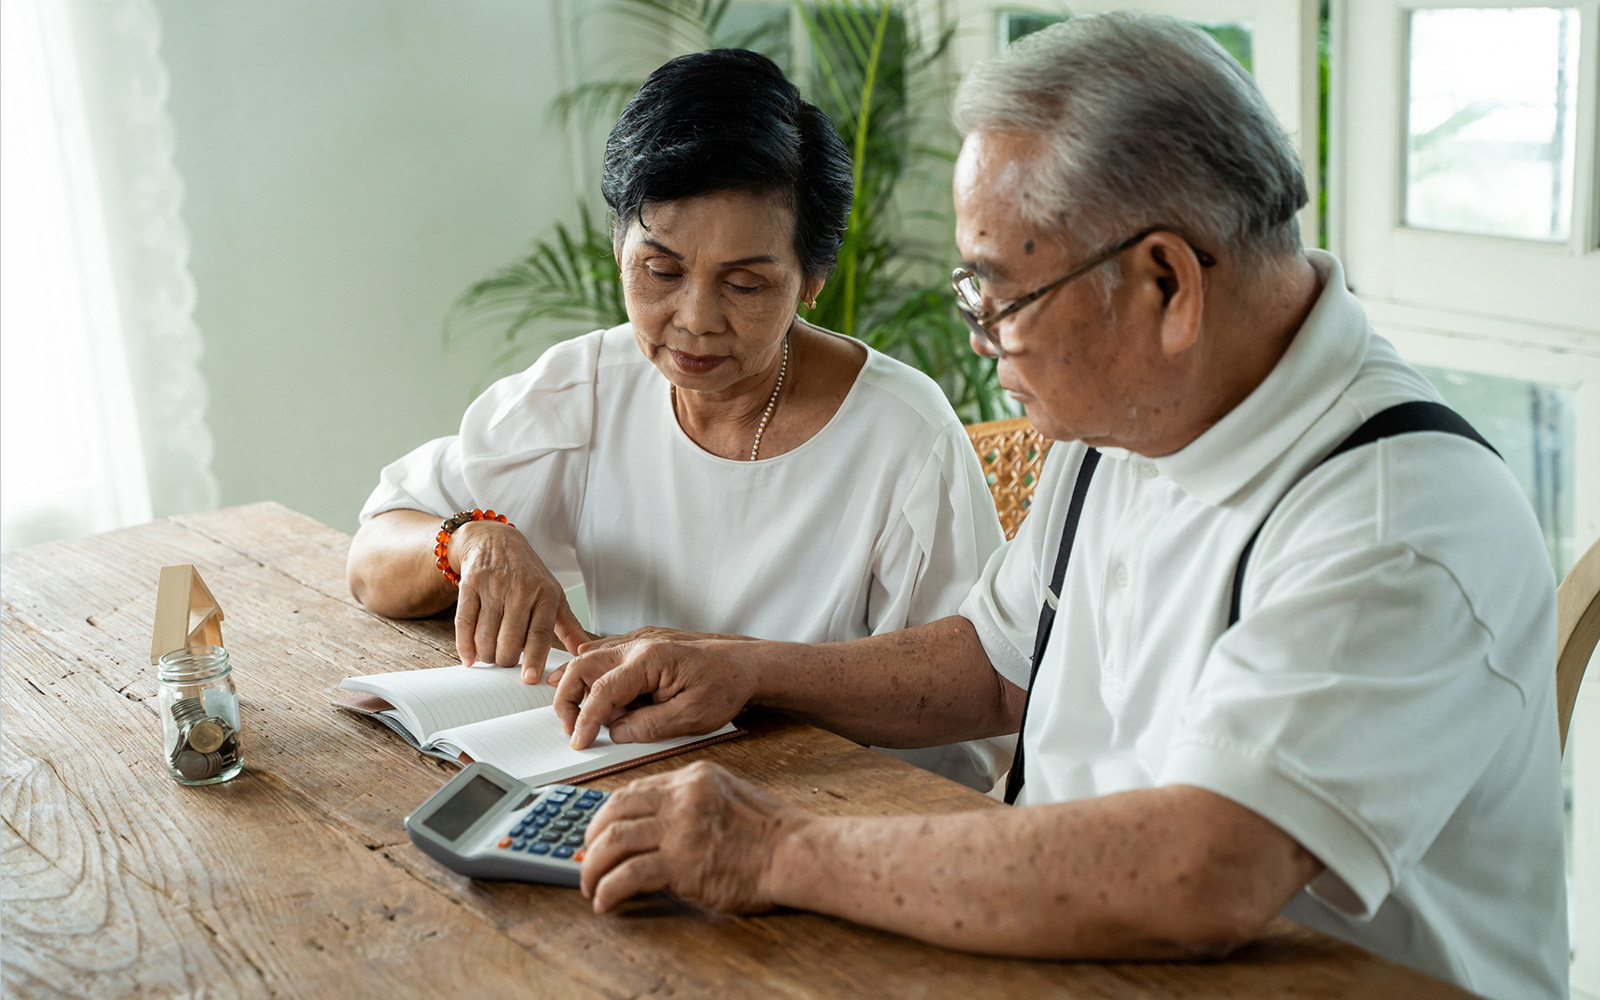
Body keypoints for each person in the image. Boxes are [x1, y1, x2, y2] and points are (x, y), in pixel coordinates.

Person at [552, 15, 1568, 1000]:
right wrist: (745, 667)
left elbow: (1198, 871)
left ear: (1164, 280)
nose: (980, 337)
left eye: (996, 295)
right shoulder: (1125, 421)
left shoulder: (1396, 516)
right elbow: (992, 664)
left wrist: (778, 849)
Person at [346, 49, 1007, 791]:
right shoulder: (590, 387)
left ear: (812, 282)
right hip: (633, 785)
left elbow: (972, 697)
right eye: (661, 271)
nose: (694, 321)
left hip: (840, 809)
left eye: (747, 283)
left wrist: (750, 675)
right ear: (618, 245)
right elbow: (372, 558)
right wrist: (470, 541)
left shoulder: (901, 435)